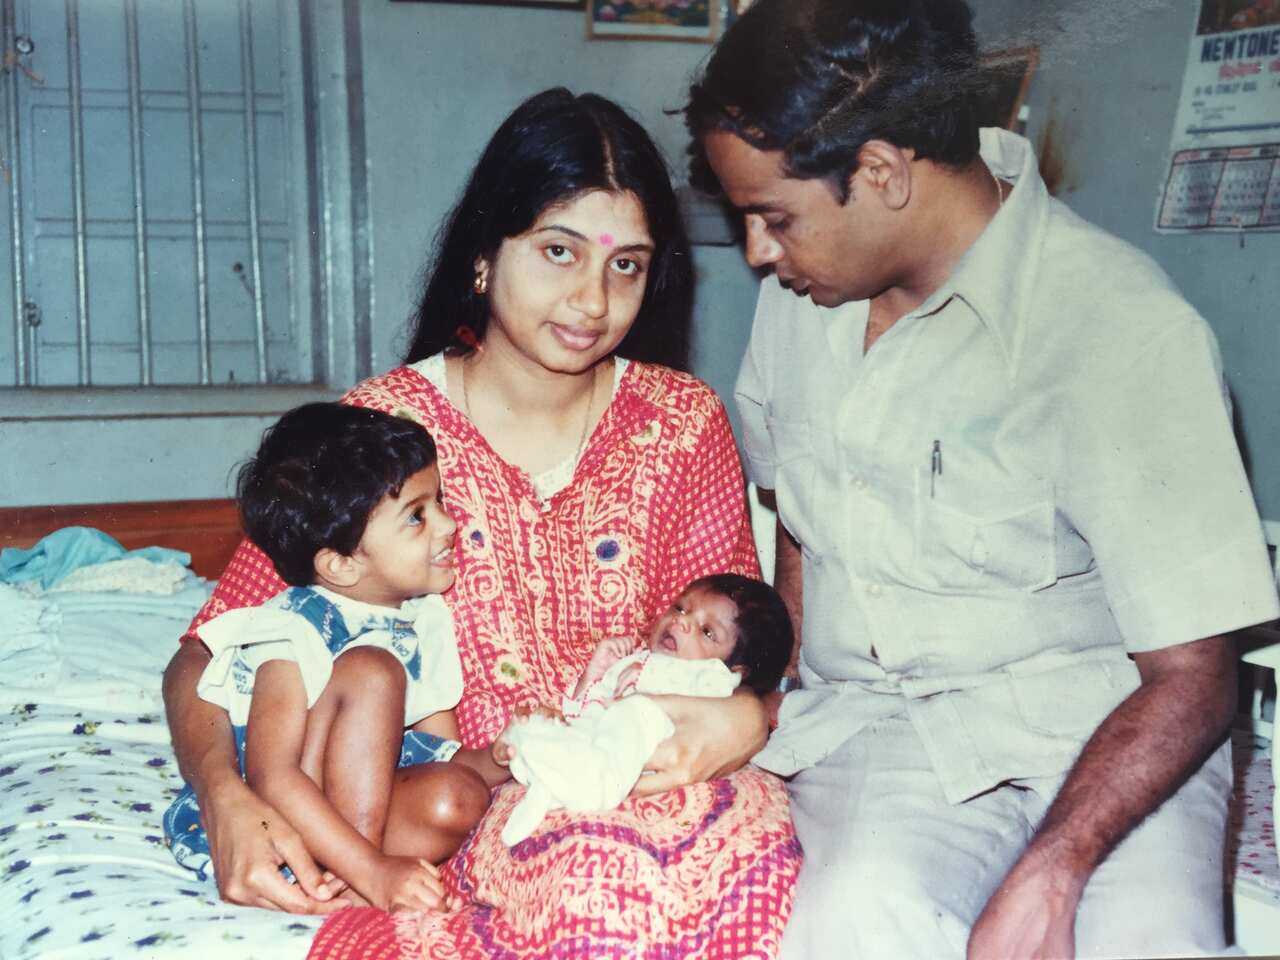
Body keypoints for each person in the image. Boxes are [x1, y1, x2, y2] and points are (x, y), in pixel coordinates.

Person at [684, 1, 1280, 958]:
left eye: (774, 217)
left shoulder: (1120, 328)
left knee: (1144, 942)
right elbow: (793, 514)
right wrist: (779, 689)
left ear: (882, 172)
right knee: (852, 927)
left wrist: (1055, 872)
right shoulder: (801, 302)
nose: (757, 251)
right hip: (885, 729)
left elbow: (1194, 674)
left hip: (1113, 729)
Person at [163, 88, 798, 956]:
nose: (591, 300)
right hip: (461, 806)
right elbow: (207, 651)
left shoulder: (682, 422)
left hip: (653, 774)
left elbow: (742, 638)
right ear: (482, 258)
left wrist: (750, 716)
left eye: (626, 265)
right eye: (558, 251)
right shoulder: (386, 431)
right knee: (596, 896)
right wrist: (225, 799)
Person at [162, 403, 488, 912]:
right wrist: (374, 869)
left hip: (362, 809)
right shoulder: (292, 627)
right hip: (284, 819)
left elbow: (439, 752)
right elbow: (273, 776)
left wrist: (505, 758)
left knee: (460, 794)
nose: (448, 524)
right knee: (373, 670)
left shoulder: (426, 618)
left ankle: (353, 876)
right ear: (340, 565)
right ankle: (358, 880)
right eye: (417, 516)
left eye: (439, 501)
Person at [491, 573, 792, 845]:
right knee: (543, 724)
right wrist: (592, 677)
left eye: (707, 631)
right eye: (680, 608)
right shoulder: (633, 660)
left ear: (737, 670)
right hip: (595, 741)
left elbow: (714, 692)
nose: (682, 622)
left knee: (634, 712)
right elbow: (581, 712)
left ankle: (580, 783)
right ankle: (535, 766)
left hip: (644, 750)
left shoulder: (714, 676)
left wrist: (651, 676)